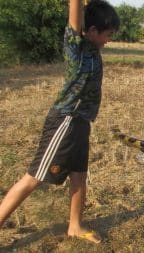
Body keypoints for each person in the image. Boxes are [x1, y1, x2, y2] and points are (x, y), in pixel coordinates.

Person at [0, 0, 119, 244]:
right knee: (34, 177)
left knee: (79, 175)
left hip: (81, 123)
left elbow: (85, 15)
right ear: (93, 31)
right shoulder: (77, 46)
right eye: (108, 34)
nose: (109, 40)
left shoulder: (95, 50)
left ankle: (74, 225)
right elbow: (75, 19)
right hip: (65, 121)